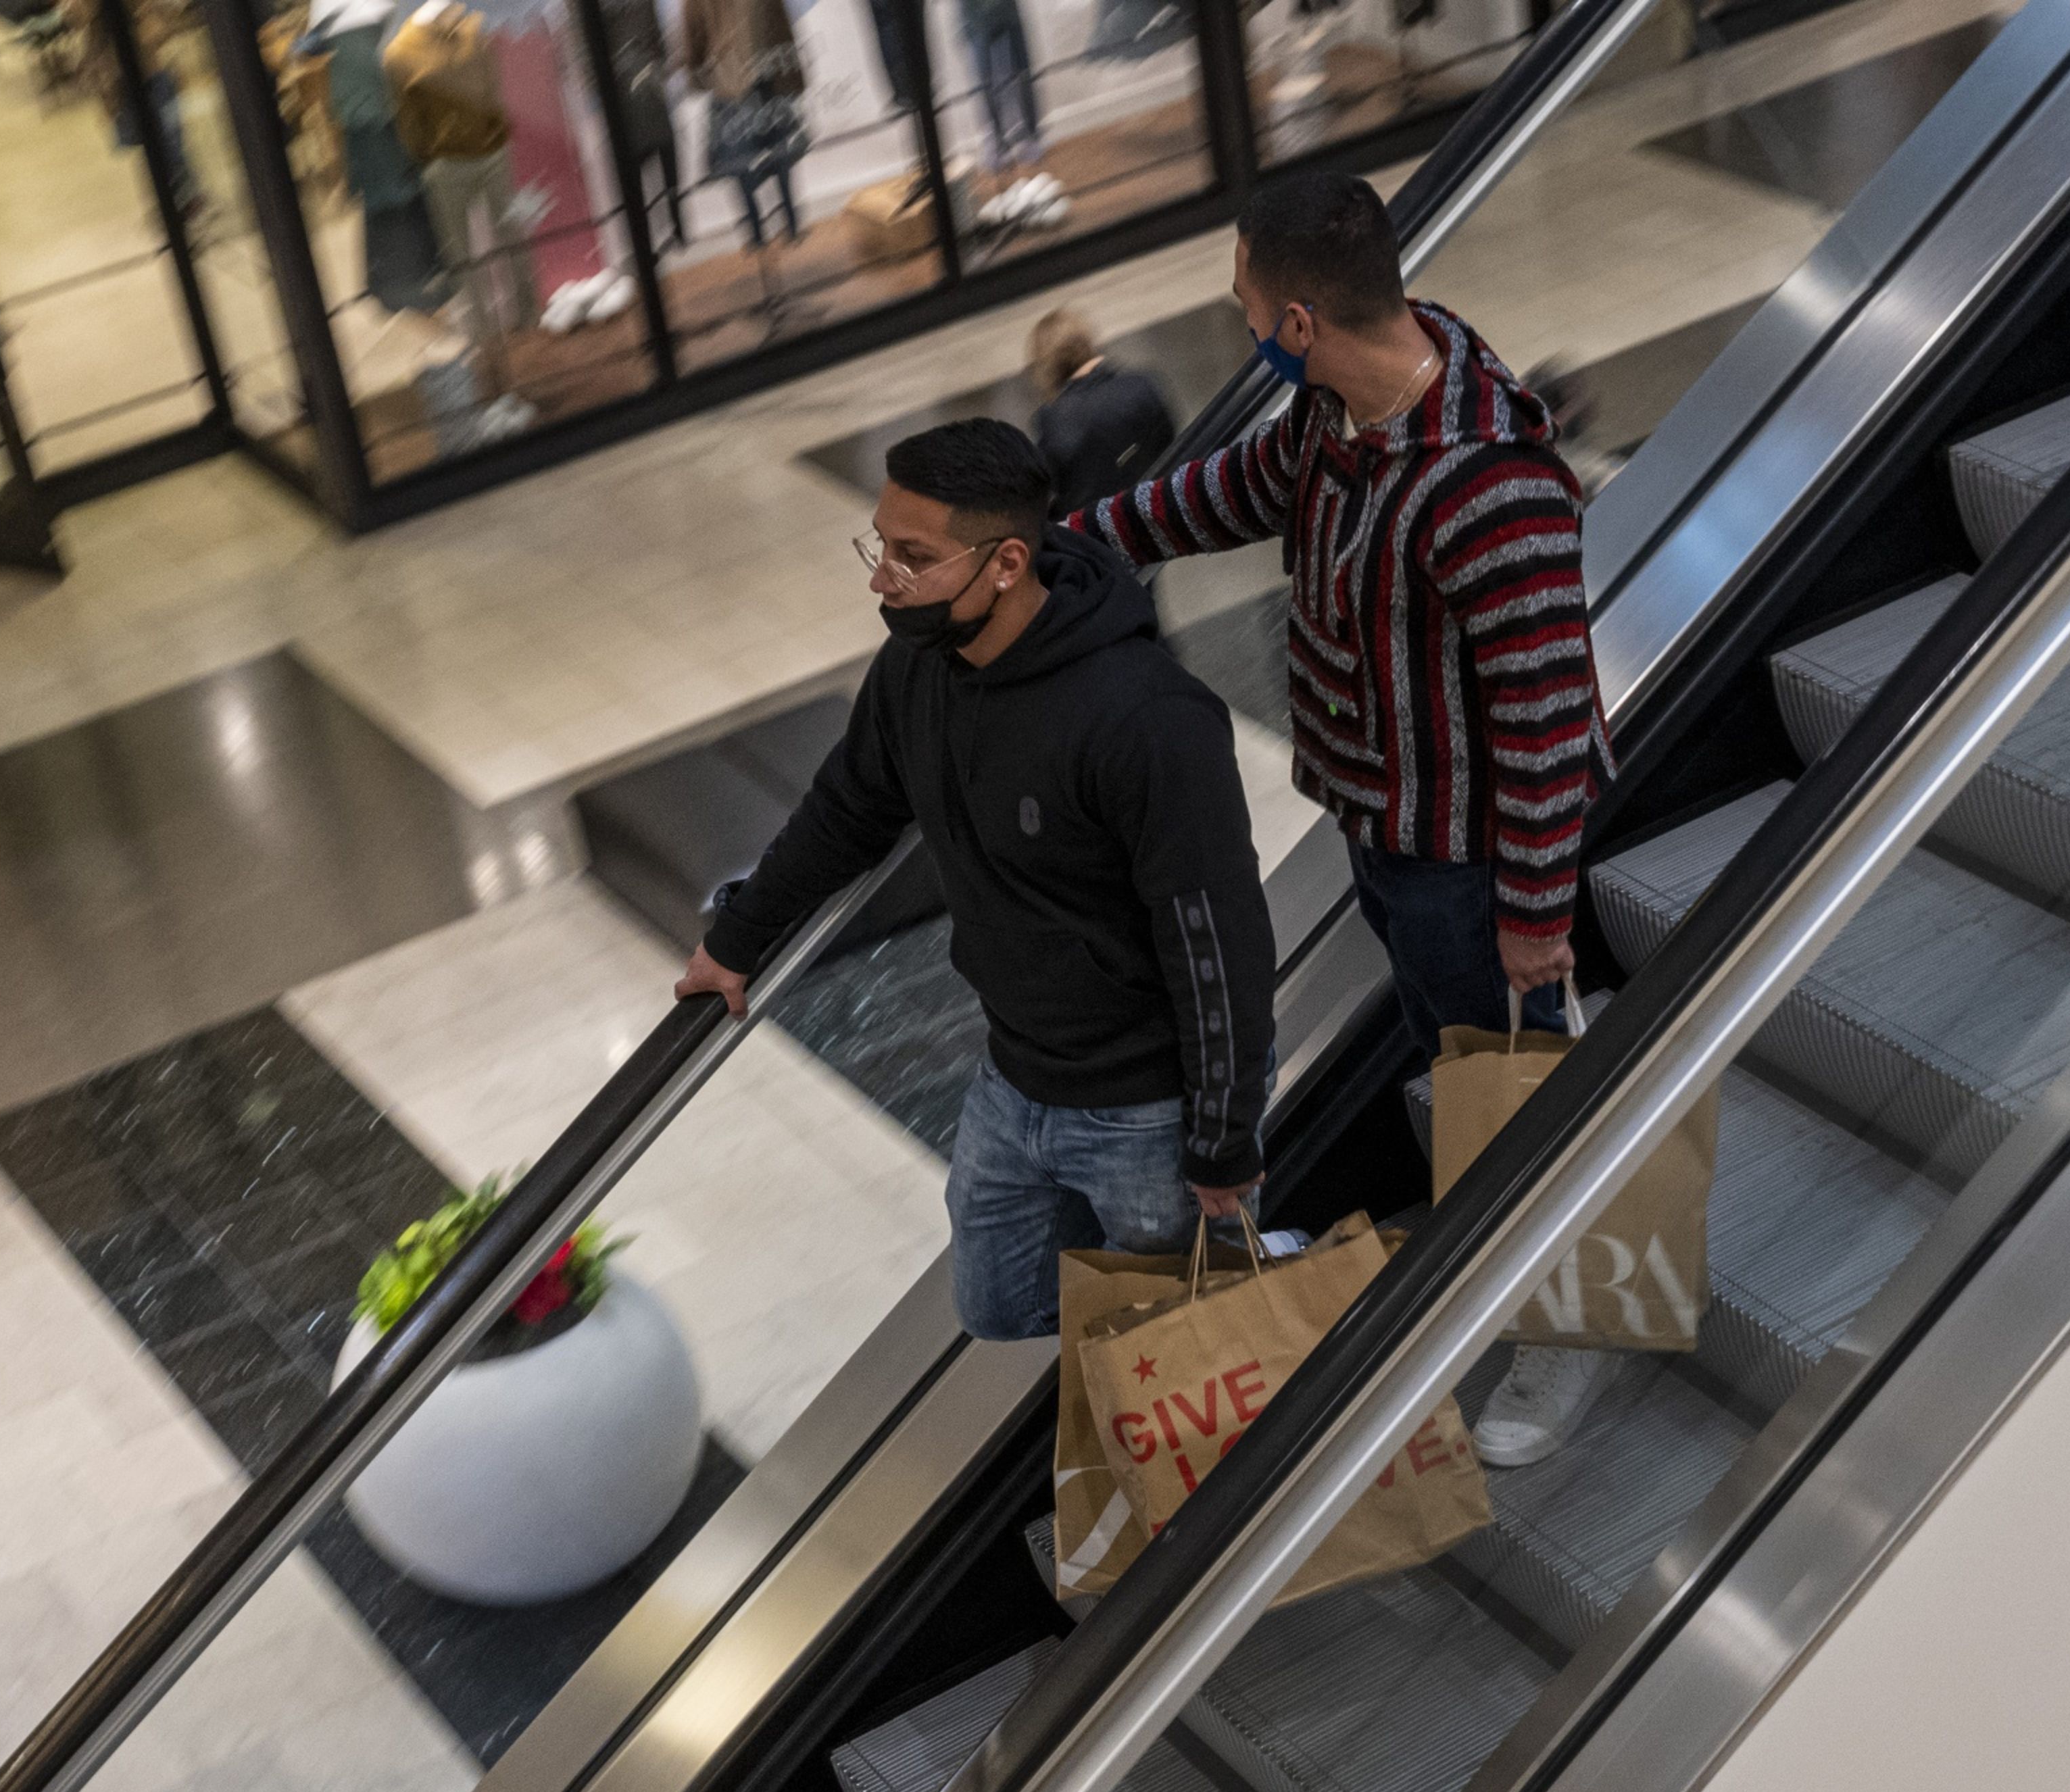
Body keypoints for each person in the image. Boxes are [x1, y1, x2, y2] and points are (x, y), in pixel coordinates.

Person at [1067, 170, 1620, 1469]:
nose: (1242, 324)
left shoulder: (1489, 486)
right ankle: (1495, 1248)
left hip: (1477, 863)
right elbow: (1213, 496)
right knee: (1457, 1074)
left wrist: (1536, 917)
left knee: (1514, 1093)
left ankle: (1572, 1325)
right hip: (1388, 823)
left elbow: (1545, 720)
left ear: (1299, 318)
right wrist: (1067, 545)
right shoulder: (1332, 417)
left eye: (1247, 303)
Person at [677, 419, 1275, 1341]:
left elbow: (1215, 938)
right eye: (880, 546)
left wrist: (1222, 1136)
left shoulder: (1147, 718)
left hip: (1143, 1105)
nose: (883, 578)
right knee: (997, 1304)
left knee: (1185, 1329)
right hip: (1014, 1075)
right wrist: (736, 940)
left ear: (1004, 564)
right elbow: (846, 809)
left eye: (912, 557)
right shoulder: (917, 670)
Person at [1027, 307, 1177, 518]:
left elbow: (1050, 488)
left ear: (1045, 363)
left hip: (1095, 534)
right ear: (1086, 341)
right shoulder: (1142, 385)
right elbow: (1171, 448)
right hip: (1156, 515)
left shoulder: (1053, 419)